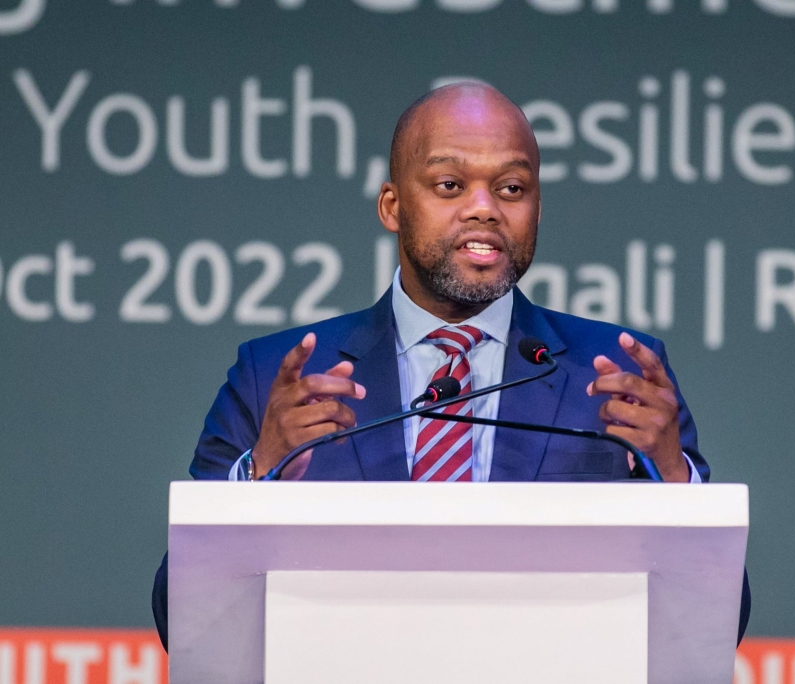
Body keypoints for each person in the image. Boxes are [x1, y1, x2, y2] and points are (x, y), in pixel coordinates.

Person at [153, 82, 750, 648]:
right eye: (449, 185)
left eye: (512, 189)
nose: (484, 209)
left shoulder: (616, 374)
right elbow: (176, 617)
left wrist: (674, 480)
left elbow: (720, 621)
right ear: (392, 206)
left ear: (538, 210)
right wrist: (258, 476)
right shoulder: (274, 379)